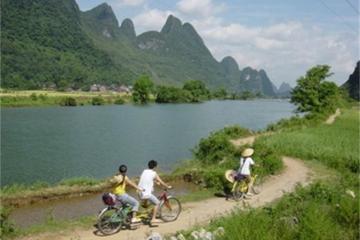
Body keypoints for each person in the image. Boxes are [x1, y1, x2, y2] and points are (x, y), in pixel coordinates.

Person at [138, 160, 172, 226]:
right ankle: (153, 219)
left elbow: (146, 178)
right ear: (155, 167)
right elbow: (161, 181)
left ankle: (148, 211)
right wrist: (167, 186)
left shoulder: (144, 171)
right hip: (146, 194)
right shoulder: (154, 173)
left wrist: (155, 182)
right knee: (157, 203)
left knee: (147, 203)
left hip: (139, 191)